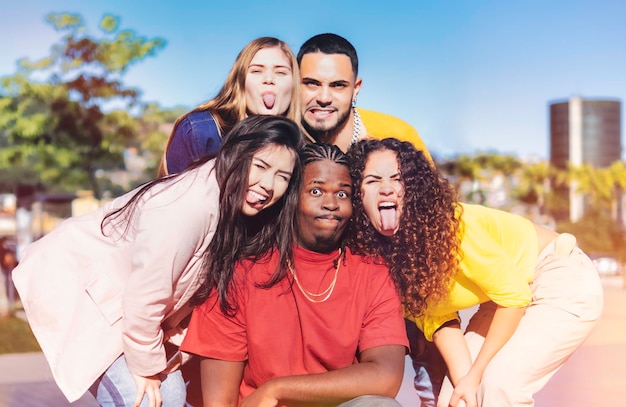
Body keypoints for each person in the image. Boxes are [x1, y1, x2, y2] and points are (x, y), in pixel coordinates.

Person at [13, 116, 303, 407]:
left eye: (282, 177)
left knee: (169, 394)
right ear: (234, 154)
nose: (268, 184)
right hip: (78, 286)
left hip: (121, 302)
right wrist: (147, 368)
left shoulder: (234, 209)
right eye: (261, 166)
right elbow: (146, 297)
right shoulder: (189, 206)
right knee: (147, 398)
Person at [347, 137, 604, 407]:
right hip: (503, 299)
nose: (386, 188)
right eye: (373, 180)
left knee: (500, 387)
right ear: (358, 194)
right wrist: (467, 383)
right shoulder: (385, 262)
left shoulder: (451, 227)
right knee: (454, 399)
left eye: (397, 179)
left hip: (557, 275)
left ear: (413, 187)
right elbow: (440, 322)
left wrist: (477, 374)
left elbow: (514, 297)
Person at [181, 143, 408, 407]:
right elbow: (220, 401)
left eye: (343, 194)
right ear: (291, 198)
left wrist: (277, 389)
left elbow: (386, 376)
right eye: (316, 191)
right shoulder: (240, 273)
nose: (332, 204)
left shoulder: (373, 273)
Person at [159, 37, 300, 176]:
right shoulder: (201, 131)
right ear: (240, 81)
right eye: (256, 71)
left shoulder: (299, 147)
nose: (269, 80)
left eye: (281, 72)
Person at [296, 33, 430, 157]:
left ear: (355, 89)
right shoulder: (281, 140)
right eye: (312, 83)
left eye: (338, 85)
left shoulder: (399, 137)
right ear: (294, 83)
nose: (324, 98)